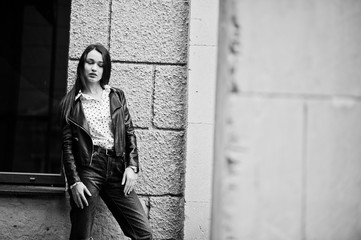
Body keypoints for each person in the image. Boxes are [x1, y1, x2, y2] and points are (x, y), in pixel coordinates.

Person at [59, 43, 153, 240]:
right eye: (90, 62)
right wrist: (74, 182)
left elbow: (129, 132)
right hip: (89, 168)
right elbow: (67, 148)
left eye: (100, 64)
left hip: (118, 169)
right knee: (81, 235)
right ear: (82, 65)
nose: (94, 68)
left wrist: (133, 166)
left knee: (143, 233)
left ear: (105, 68)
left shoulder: (115, 96)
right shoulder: (70, 103)